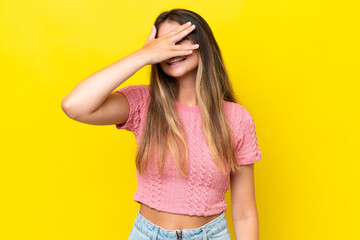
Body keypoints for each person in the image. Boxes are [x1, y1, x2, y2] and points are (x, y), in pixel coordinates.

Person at [61, 8, 262, 240]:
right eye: (163, 44)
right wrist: (142, 56)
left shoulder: (237, 119)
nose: (171, 50)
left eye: (179, 39)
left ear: (202, 43)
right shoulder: (143, 103)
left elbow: (245, 214)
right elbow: (74, 106)